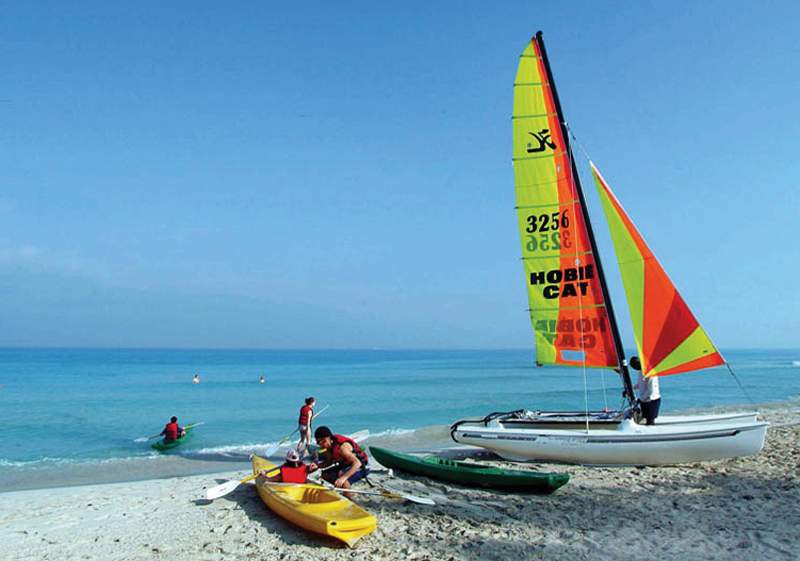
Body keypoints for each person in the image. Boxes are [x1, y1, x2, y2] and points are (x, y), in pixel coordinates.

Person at [311, 426, 369, 497]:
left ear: (329, 438)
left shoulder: (342, 448)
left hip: (362, 466)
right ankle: (344, 489)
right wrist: (318, 466)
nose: (321, 444)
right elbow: (329, 462)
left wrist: (343, 478)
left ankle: (348, 499)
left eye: (323, 441)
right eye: (318, 442)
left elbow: (357, 463)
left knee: (343, 480)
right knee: (325, 475)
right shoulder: (328, 447)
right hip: (346, 465)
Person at [630, 356, 661, 425]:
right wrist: (632, 388)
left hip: (652, 400)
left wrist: (641, 398)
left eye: (635, 366)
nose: (635, 368)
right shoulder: (641, 371)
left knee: (650, 421)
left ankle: (653, 434)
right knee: (646, 419)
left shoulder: (650, 373)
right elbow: (641, 384)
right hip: (644, 400)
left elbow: (651, 390)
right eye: (633, 367)